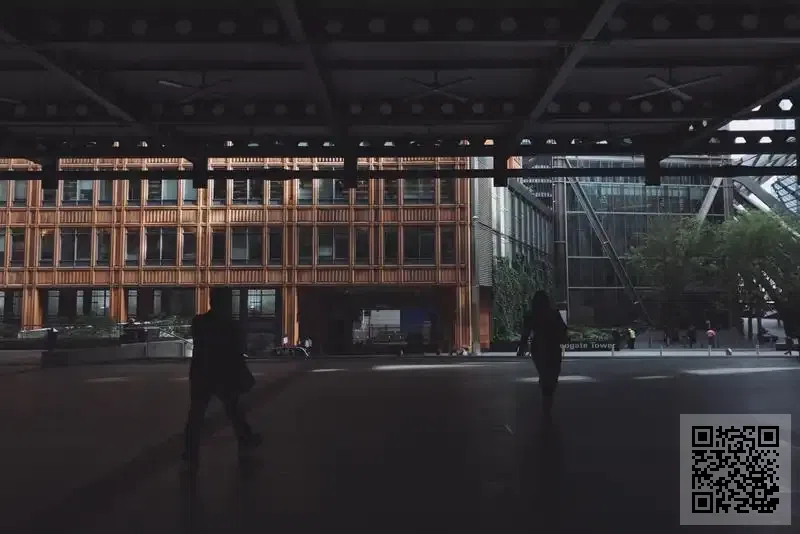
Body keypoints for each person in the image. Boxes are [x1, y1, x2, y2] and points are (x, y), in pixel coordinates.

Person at [182, 288, 261, 475]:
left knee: (197, 415)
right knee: (233, 410)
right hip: (222, 375)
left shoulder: (199, 322)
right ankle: (245, 439)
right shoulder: (230, 326)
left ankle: (190, 453)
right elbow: (236, 353)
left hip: (201, 374)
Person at [517, 291, 568, 420]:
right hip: (553, 347)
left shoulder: (531, 315)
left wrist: (522, 347)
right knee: (553, 373)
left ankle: (546, 391)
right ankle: (547, 399)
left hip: (539, 347)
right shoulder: (554, 314)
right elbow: (563, 330)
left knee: (545, 373)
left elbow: (525, 333)